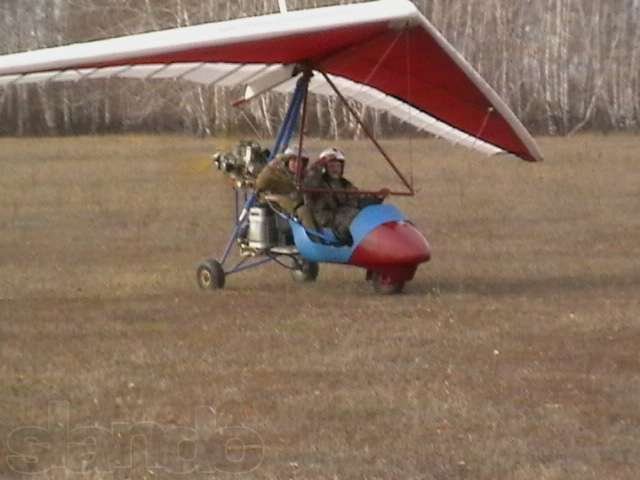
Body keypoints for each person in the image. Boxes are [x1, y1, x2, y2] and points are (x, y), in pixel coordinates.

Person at [304, 147, 360, 245]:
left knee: (361, 215)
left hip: (344, 216)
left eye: (338, 166)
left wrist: (377, 198)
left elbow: (357, 201)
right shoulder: (318, 183)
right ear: (325, 168)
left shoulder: (346, 184)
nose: (335, 169)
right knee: (352, 217)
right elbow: (308, 182)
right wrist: (319, 164)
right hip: (326, 218)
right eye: (331, 166)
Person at [254, 145, 318, 230]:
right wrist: (270, 166)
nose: (297, 164)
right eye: (293, 161)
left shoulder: (304, 176)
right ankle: (314, 238)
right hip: (286, 207)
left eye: (300, 161)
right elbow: (260, 184)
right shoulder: (275, 175)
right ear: (286, 162)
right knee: (304, 211)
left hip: (301, 203)